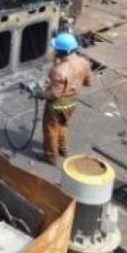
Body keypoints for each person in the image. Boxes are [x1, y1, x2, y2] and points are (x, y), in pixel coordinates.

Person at [36, 32, 93, 165]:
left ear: (61, 51)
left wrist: (40, 94)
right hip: (72, 102)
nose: (54, 51)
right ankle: (63, 149)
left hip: (57, 104)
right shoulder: (84, 62)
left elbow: (54, 94)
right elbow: (89, 82)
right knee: (63, 124)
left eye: (56, 49)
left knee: (51, 129)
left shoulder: (59, 70)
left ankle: (50, 156)